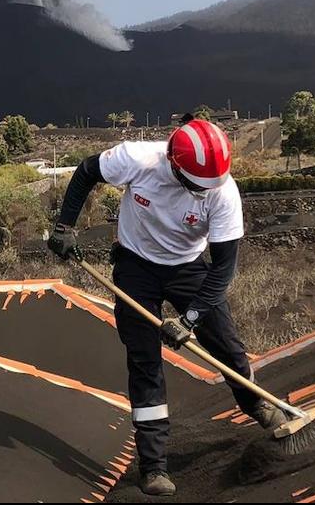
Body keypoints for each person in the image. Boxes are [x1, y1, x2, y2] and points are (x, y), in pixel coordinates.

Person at [46, 114, 284, 497]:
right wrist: (64, 228)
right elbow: (85, 172)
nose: (203, 191)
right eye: (195, 184)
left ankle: (260, 407)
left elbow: (222, 271)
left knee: (225, 345)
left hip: (189, 270)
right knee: (144, 362)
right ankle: (154, 466)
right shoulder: (137, 159)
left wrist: (189, 319)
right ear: (175, 165)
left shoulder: (223, 193)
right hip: (135, 267)